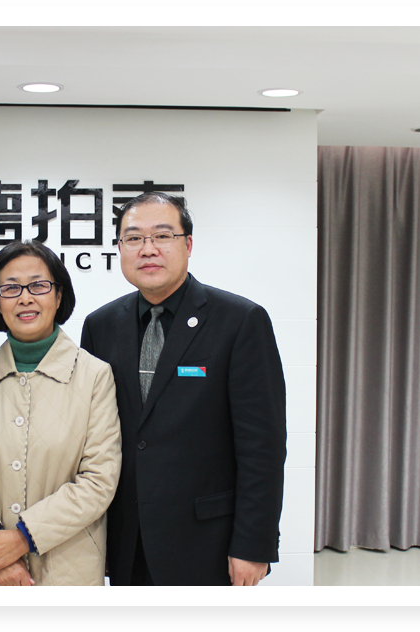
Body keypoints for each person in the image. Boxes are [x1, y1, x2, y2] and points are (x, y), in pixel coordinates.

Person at [80, 192, 287, 586]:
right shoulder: (101, 325)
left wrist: (254, 544)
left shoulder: (240, 321)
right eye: (134, 238)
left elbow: (263, 446)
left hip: (207, 542)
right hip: (127, 541)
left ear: (188, 244)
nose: (148, 249)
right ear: (120, 248)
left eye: (163, 236)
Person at [0, 241, 121, 586]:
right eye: (10, 288)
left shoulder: (95, 375)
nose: (25, 298)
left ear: (59, 295)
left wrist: (23, 538)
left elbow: (99, 479)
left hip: (69, 568)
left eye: (38, 285)